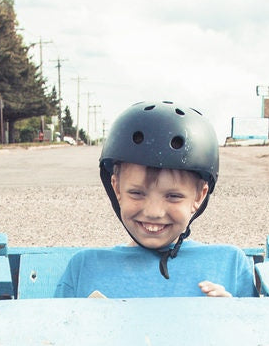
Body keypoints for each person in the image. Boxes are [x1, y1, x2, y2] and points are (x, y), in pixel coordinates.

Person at [55, 100, 256, 299]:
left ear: (199, 196)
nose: (154, 211)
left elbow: (257, 329)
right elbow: (55, 330)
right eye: (137, 193)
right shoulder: (84, 268)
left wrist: (231, 315)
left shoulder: (229, 264)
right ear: (116, 188)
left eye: (173, 196)